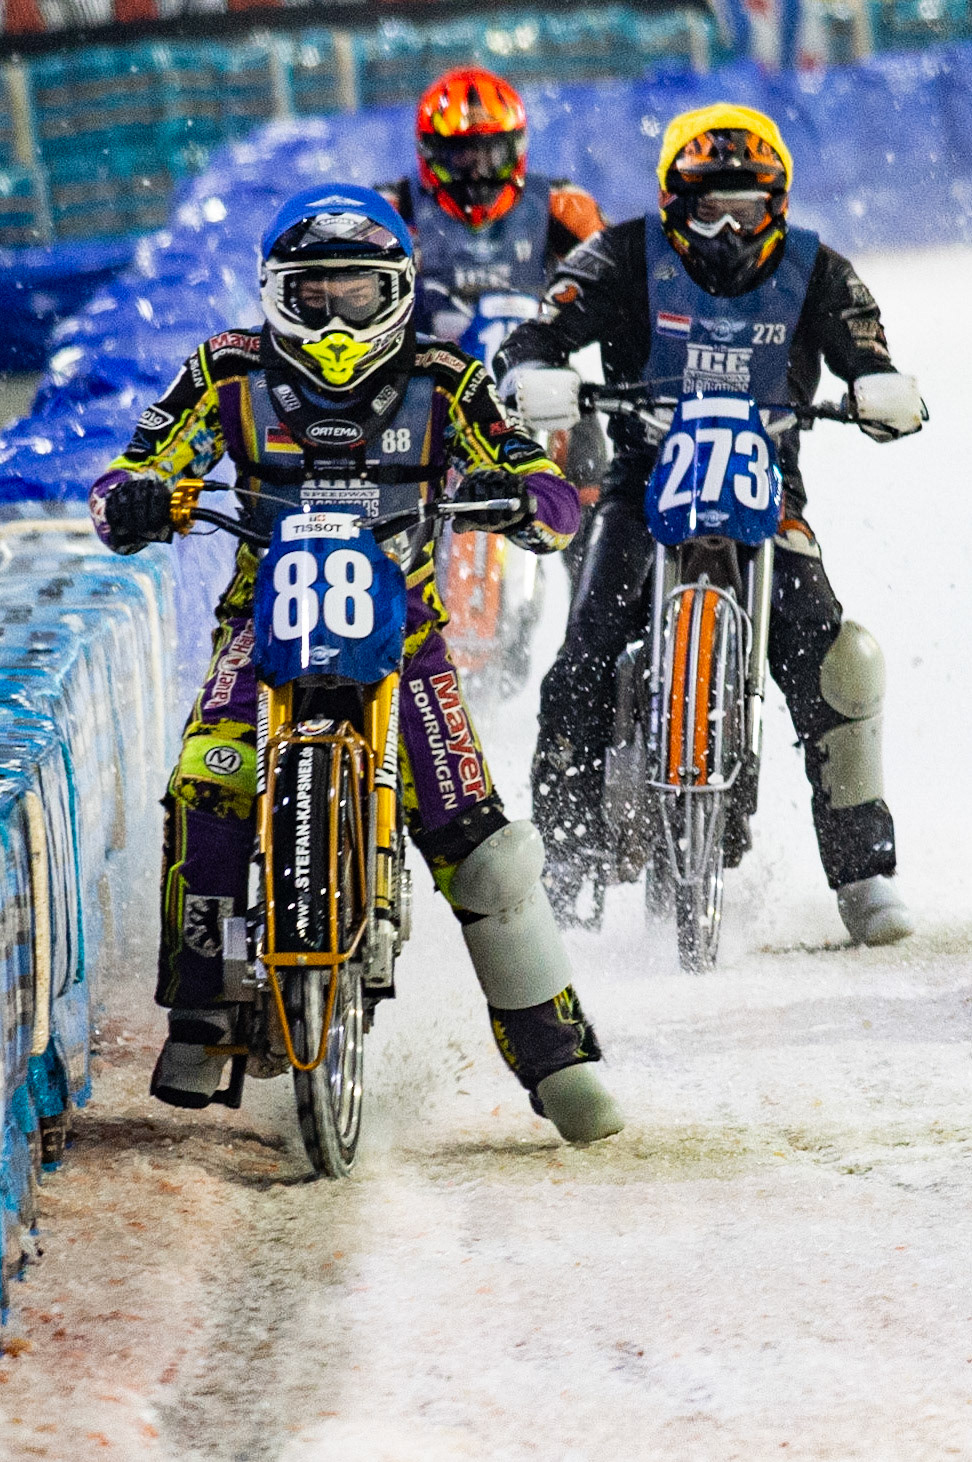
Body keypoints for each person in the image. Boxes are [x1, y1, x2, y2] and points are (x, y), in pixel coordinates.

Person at [88, 184, 623, 1144]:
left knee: (482, 845)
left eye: (358, 294)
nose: (336, 315)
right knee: (208, 778)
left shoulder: (448, 378)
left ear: (399, 293)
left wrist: (531, 498)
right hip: (260, 627)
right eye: (314, 293)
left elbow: (530, 466)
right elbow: (137, 464)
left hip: (407, 636)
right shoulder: (223, 371)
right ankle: (202, 1007)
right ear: (275, 294)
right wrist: (135, 497)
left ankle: (557, 1052)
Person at [493, 103, 924, 946]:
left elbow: (871, 358)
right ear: (670, 201)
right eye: (708, 206)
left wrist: (882, 390)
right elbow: (538, 332)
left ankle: (865, 873)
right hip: (640, 487)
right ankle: (568, 869)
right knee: (579, 663)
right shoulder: (617, 254)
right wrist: (536, 372)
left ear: (780, 205)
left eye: (748, 206)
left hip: (772, 494)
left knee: (833, 661)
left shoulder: (819, 269)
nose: (729, 225)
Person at [379, 66, 608, 573]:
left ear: (516, 149)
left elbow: (616, 283)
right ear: (431, 156)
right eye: (462, 156)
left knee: (590, 443)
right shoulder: (391, 210)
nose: (478, 172)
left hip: (532, 378)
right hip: (426, 382)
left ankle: (591, 591)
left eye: (490, 154)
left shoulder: (561, 206)